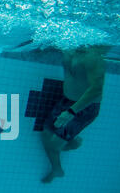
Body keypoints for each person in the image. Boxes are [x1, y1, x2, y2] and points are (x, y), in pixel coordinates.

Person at [41, 45, 108, 183]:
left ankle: (57, 170)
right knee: (46, 134)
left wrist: (71, 112)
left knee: (53, 145)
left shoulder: (93, 57)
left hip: (84, 107)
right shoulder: (69, 44)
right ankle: (70, 143)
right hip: (66, 100)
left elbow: (96, 90)